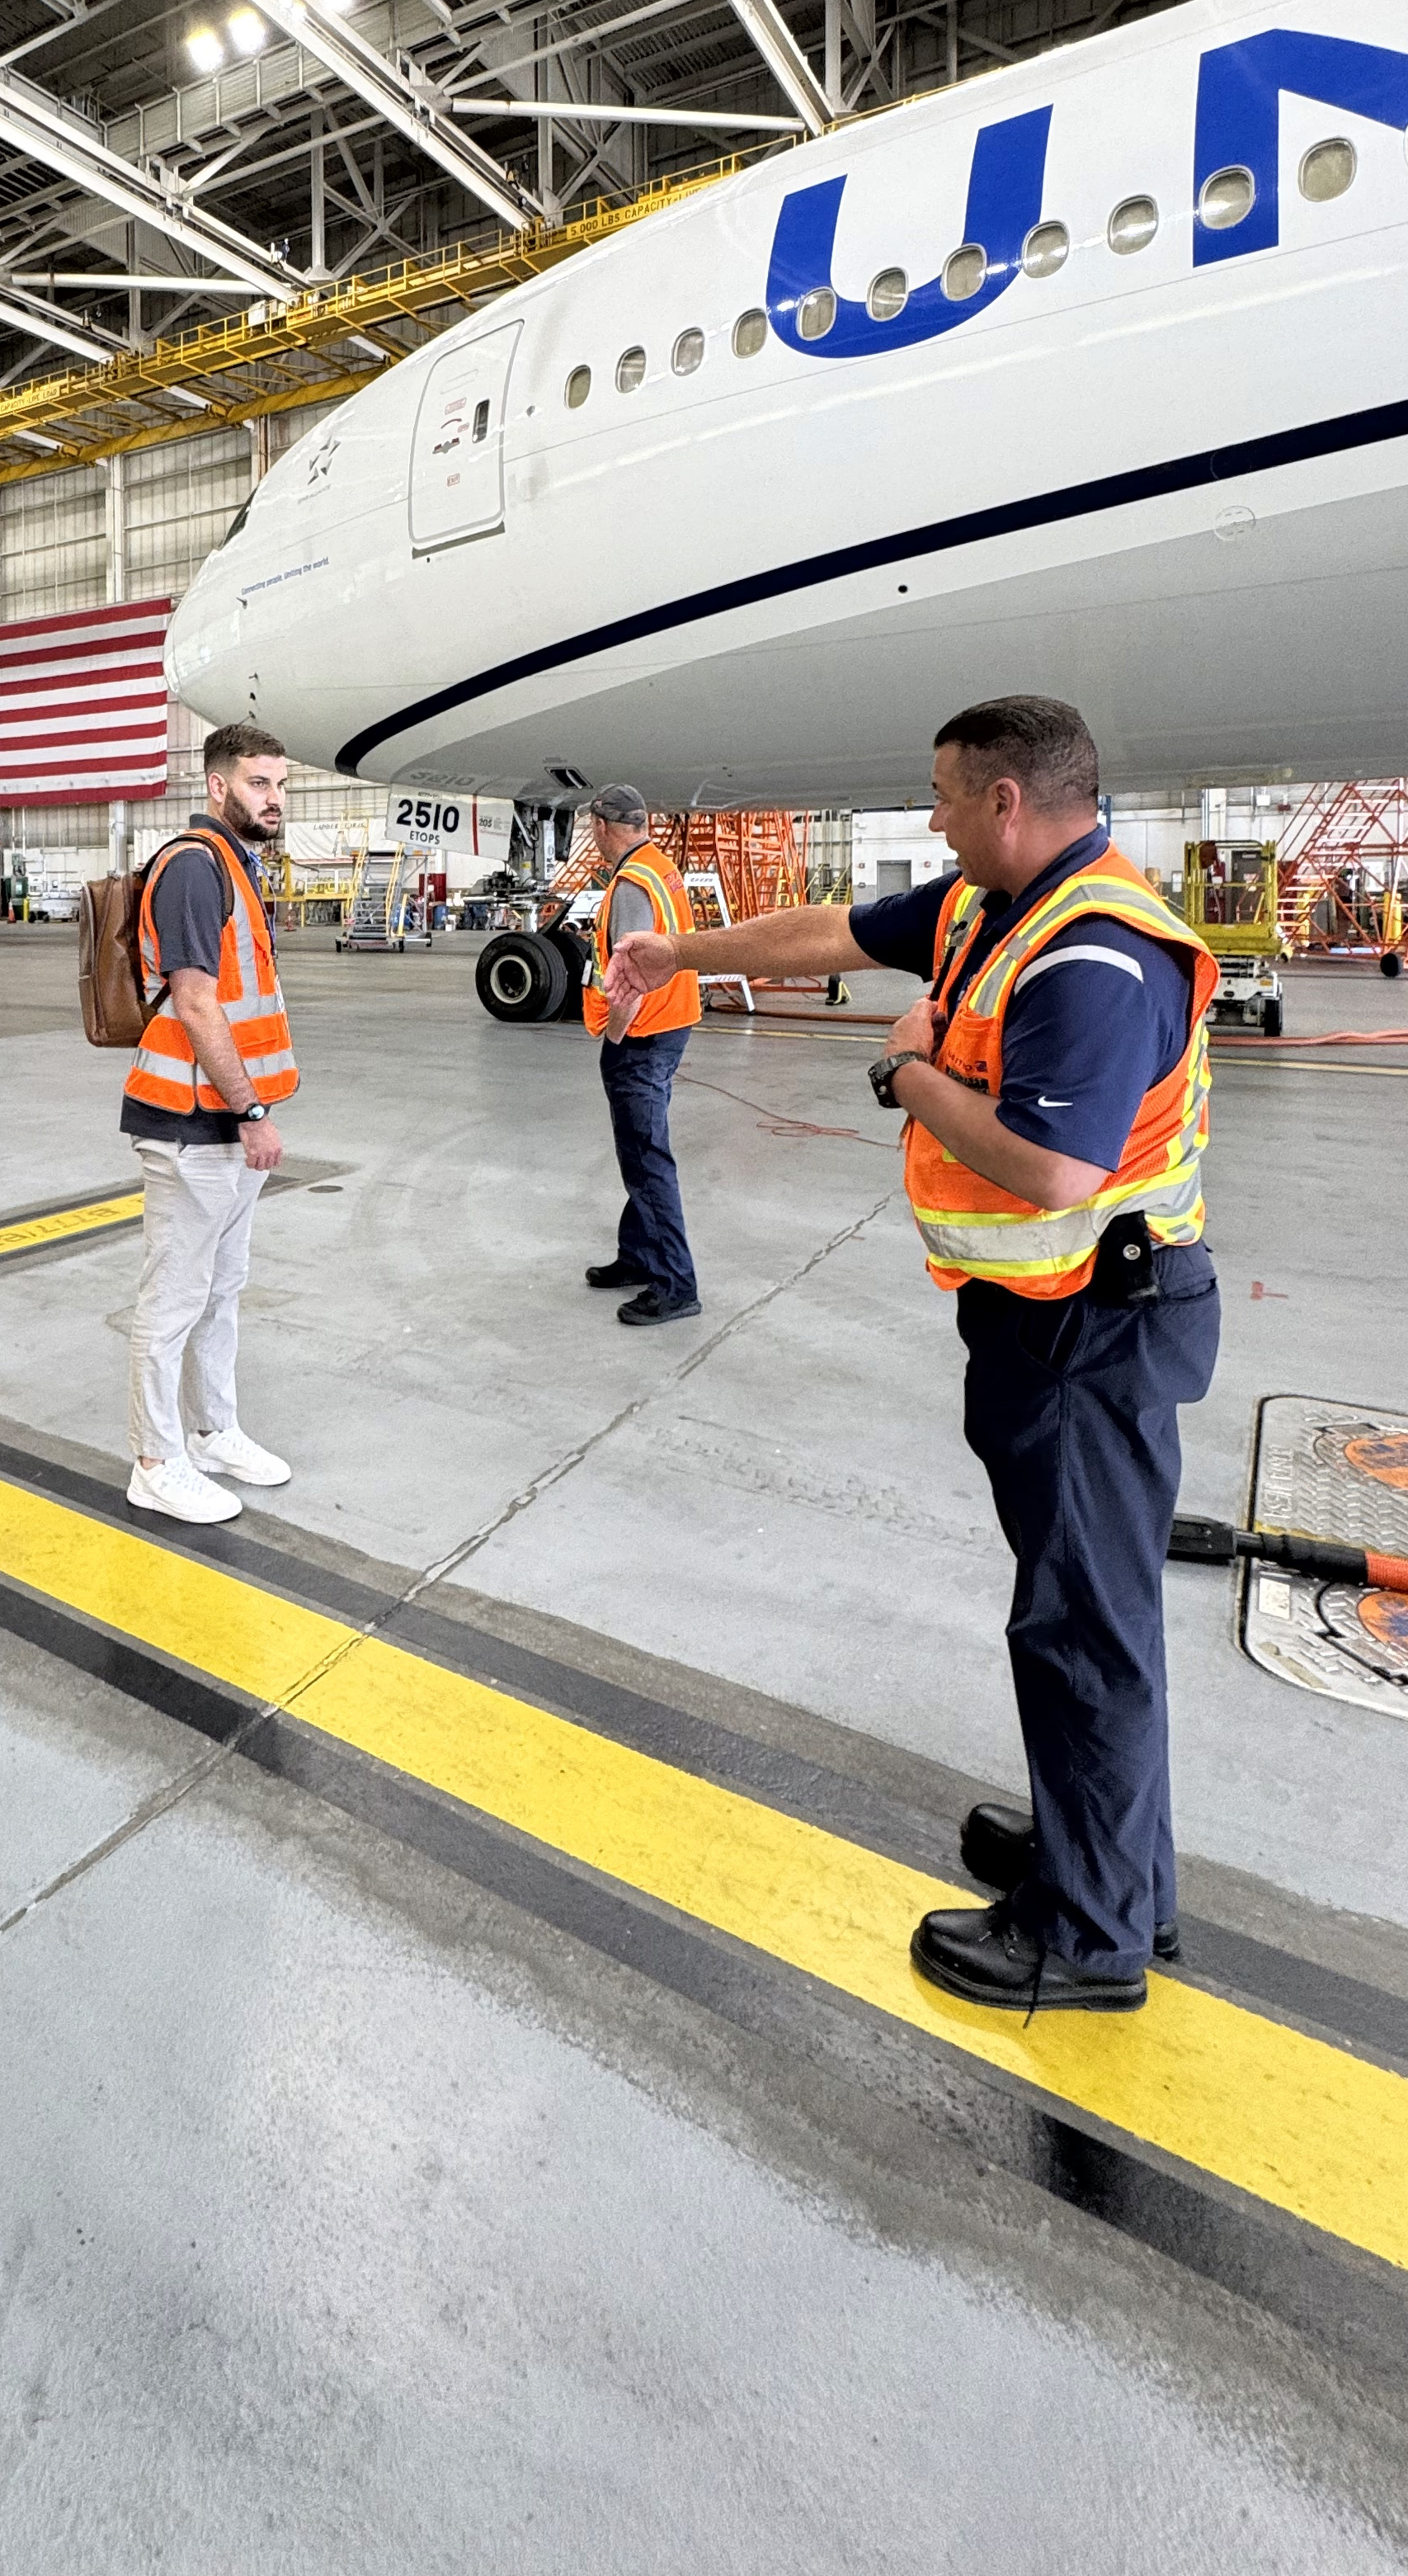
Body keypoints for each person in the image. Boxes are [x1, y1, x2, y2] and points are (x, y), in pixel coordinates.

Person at [607, 696, 1220, 2016]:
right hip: (1045, 1320)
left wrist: (909, 1073)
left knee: (1080, 1626)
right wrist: (675, 950)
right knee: (1085, 1609)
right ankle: (1111, 1864)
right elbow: (828, 930)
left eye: (943, 797)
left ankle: (1088, 1938)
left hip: (1093, 1331)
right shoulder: (991, 908)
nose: (932, 820)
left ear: (1006, 800)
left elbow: (1055, 1169)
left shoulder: (1094, 953)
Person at [120, 724, 301, 1526]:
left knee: (222, 1291)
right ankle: (156, 1463)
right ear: (218, 786)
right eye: (259, 783)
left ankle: (213, 1432)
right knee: (174, 1299)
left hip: (223, 1120)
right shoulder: (196, 868)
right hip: (190, 1121)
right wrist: (252, 1111)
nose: (275, 799)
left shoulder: (236, 866)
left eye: (281, 785)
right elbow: (195, 1003)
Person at [580, 784, 703, 1326]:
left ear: (602, 826)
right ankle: (638, 1256)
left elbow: (629, 976)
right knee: (640, 1153)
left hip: (642, 1035)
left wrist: (615, 1037)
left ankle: (676, 1286)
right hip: (671, 1023)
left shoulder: (631, 883)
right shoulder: (659, 867)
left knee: (647, 1159)